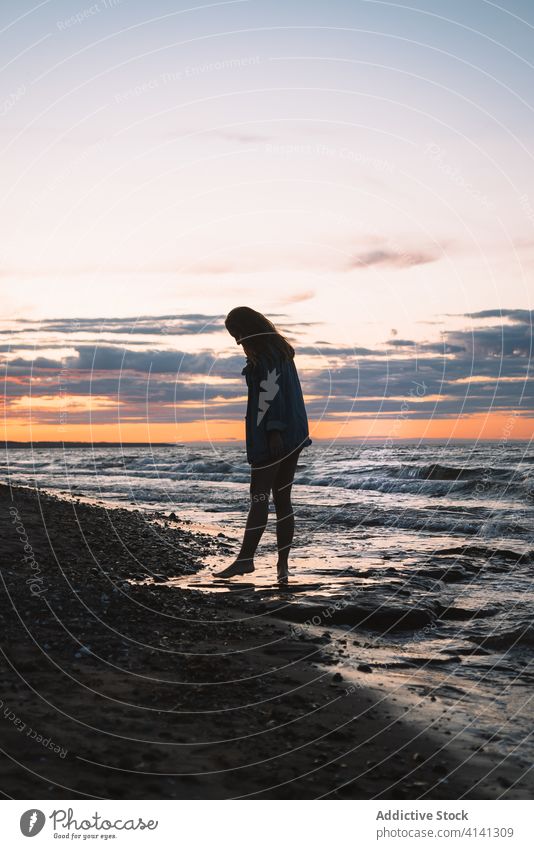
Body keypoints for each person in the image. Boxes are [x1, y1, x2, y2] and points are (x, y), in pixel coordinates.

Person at [214, 306, 312, 584]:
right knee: (282, 499)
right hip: (294, 432)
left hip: (276, 434)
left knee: (259, 495)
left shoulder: (266, 356)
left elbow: (271, 397)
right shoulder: (280, 352)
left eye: (237, 334)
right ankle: (283, 566)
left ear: (247, 329)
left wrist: (273, 431)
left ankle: (246, 560)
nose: (237, 341)